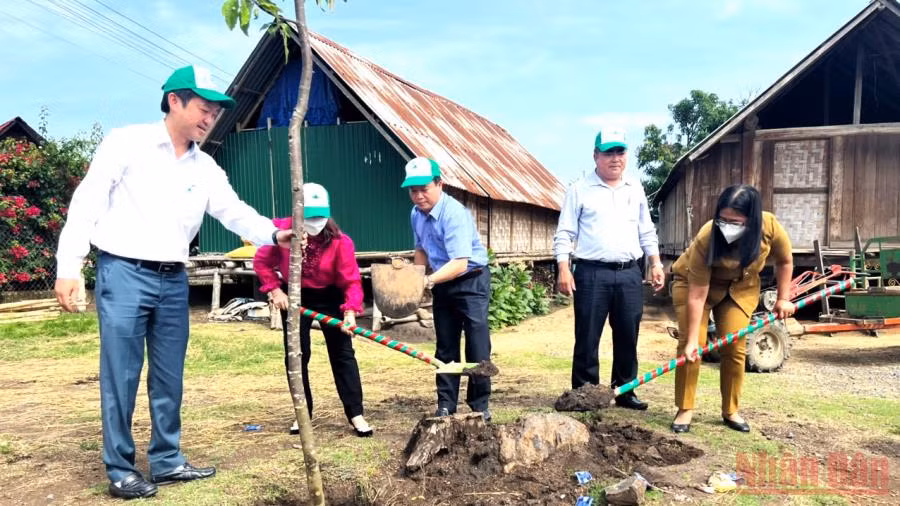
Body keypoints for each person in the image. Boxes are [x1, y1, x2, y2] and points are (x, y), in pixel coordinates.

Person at [54, 65, 293, 500]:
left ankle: (166, 460)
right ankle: (121, 468)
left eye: (216, 114)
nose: (210, 119)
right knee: (121, 375)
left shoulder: (205, 167)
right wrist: (69, 264)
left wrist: (274, 234)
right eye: (204, 109)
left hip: (173, 279)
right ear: (175, 101)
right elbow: (87, 200)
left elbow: (233, 211)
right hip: (123, 271)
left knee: (169, 376)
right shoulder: (127, 143)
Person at [553, 127, 665, 410]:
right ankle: (584, 393)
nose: (615, 158)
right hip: (591, 273)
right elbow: (564, 233)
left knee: (628, 334)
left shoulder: (635, 189)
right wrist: (564, 268)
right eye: (608, 153)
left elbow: (646, 230)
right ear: (595, 156)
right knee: (588, 336)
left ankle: (625, 391)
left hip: (630, 273)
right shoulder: (579, 190)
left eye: (620, 152)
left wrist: (655, 263)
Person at [670, 184, 794, 434]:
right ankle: (685, 408)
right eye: (723, 220)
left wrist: (783, 298)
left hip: (740, 288)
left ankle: (730, 410)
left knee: (735, 347)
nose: (728, 226)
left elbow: (785, 260)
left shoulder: (769, 227)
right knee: (692, 345)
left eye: (736, 221)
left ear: (752, 220)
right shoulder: (707, 237)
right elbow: (697, 295)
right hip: (695, 286)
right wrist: (693, 340)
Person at [253, 183, 372, 438]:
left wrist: (350, 312)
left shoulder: (340, 241)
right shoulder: (281, 232)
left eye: (320, 217)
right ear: (297, 212)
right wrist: (275, 291)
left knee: (342, 354)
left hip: (330, 296)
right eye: (309, 216)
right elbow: (261, 261)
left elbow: (351, 280)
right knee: (297, 354)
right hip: (295, 294)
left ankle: (355, 413)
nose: (315, 223)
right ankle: (302, 413)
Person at [401, 156, 492, 420]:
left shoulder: (454, 214)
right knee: (446, 346)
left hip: (470, 280)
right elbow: (420, 249)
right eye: (413, 190)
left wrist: (427, 281)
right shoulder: (416, 214)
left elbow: (460, 262)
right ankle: (446, 404)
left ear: (439, 184)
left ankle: (480, 405)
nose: (418, 196)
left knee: (477, 345)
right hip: (443, 282)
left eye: (424, 189)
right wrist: (417, 279)